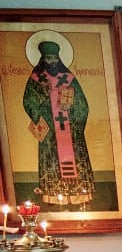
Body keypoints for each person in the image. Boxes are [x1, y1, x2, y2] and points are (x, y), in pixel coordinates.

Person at [24, 38, 94, 207]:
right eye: (49, 58)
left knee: (75, 159)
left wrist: (75, 119)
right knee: (52, 161)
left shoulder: (68, 78)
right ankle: (53, 197)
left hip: (70, 130)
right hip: (50, 131)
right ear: (43, 59)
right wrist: (43, 114)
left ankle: (79, 197)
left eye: (55, 58)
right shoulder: (36, 79)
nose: (53, 62)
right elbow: (29, 101)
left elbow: (82, 104)